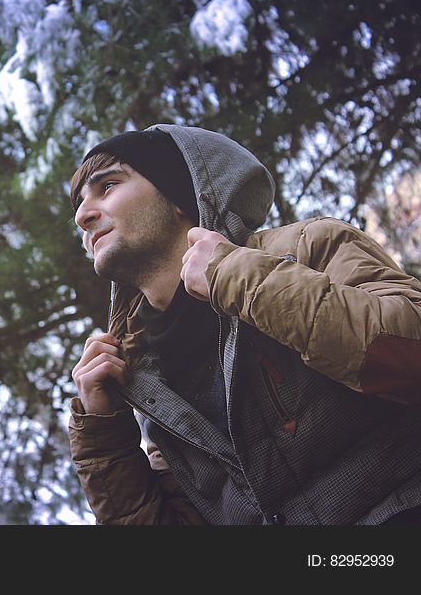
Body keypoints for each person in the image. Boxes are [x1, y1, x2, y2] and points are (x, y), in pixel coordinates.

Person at [67, 125, 421, 525]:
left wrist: (234, 275)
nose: (82, 215)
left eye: (108, 186)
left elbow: (410, 353)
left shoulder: (309, 248)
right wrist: (104, 437)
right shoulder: (142, 382)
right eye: (79, 204)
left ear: (181, 195)